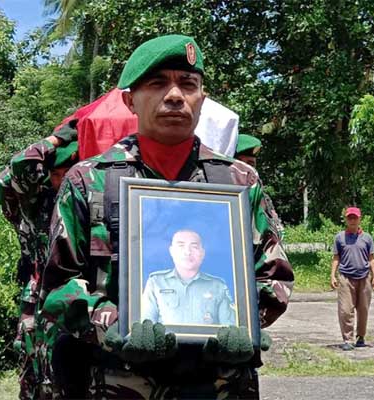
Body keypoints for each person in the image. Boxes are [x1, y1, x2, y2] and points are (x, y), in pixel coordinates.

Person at [39, 34, 293, 399]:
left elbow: (273, 276)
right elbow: (59, 285)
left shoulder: (239, 181)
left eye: (188, 84)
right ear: (130, 100)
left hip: (220, 385)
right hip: (121, 384)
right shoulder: (89, 181)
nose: (175, 95)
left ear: (201, 98)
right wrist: (112, 325)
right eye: (158, 83)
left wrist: (247, 322)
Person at [0, 122, 79, 400]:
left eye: (69, 172)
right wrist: (56, 139)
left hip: (73, 299)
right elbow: (19, 166)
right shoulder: (37, 203)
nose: (64, 179)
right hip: (39, 299)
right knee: (34, 371)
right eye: (57, 173)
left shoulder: (85, 202)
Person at [141, 229, 236, 326]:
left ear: (202, 253)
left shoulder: (217, 286)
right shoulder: (156, 283)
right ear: (171, 251)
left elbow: (229, 330)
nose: (187, 252)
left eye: (194, 247)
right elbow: (146, 328)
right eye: (181, 246)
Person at [330, 206, 374, 350]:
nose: (352, 220)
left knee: (363, 309)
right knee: (345, 310)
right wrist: (332, 275)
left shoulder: (367, 237)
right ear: (346, 219)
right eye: (349, 217)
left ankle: (361, 336)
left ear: (359, 219)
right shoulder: (339, 237)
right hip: (346, 277)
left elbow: (371, 258)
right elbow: (336, 257)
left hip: (364, 277)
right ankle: (347, 339)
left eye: (355, 217)